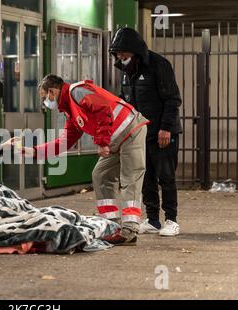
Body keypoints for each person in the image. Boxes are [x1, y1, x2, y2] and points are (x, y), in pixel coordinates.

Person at [22, 74, 149, 246]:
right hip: (114, 138)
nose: (45, 102)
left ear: (52, 92)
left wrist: (102, 142)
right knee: (100, 174)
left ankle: (129, 230)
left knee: (130, 177)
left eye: (45, 97)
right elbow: (63, 143)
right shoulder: (71, 111)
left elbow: (104, 109)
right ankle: (111, 224)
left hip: (130, 129)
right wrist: (32, 152)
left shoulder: (77, 92)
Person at [109, 28, 183, 237]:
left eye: (123, 53)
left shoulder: (159, 65)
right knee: (147, 177)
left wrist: (166, 128)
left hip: (162, 133)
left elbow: (172, 99)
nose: (120, 57)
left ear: (135, 50)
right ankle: (152, 220)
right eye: (117, 54)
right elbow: (125, 102)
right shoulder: (127, 72)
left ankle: (171, 220)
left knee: (166, 177)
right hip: (140, 135)